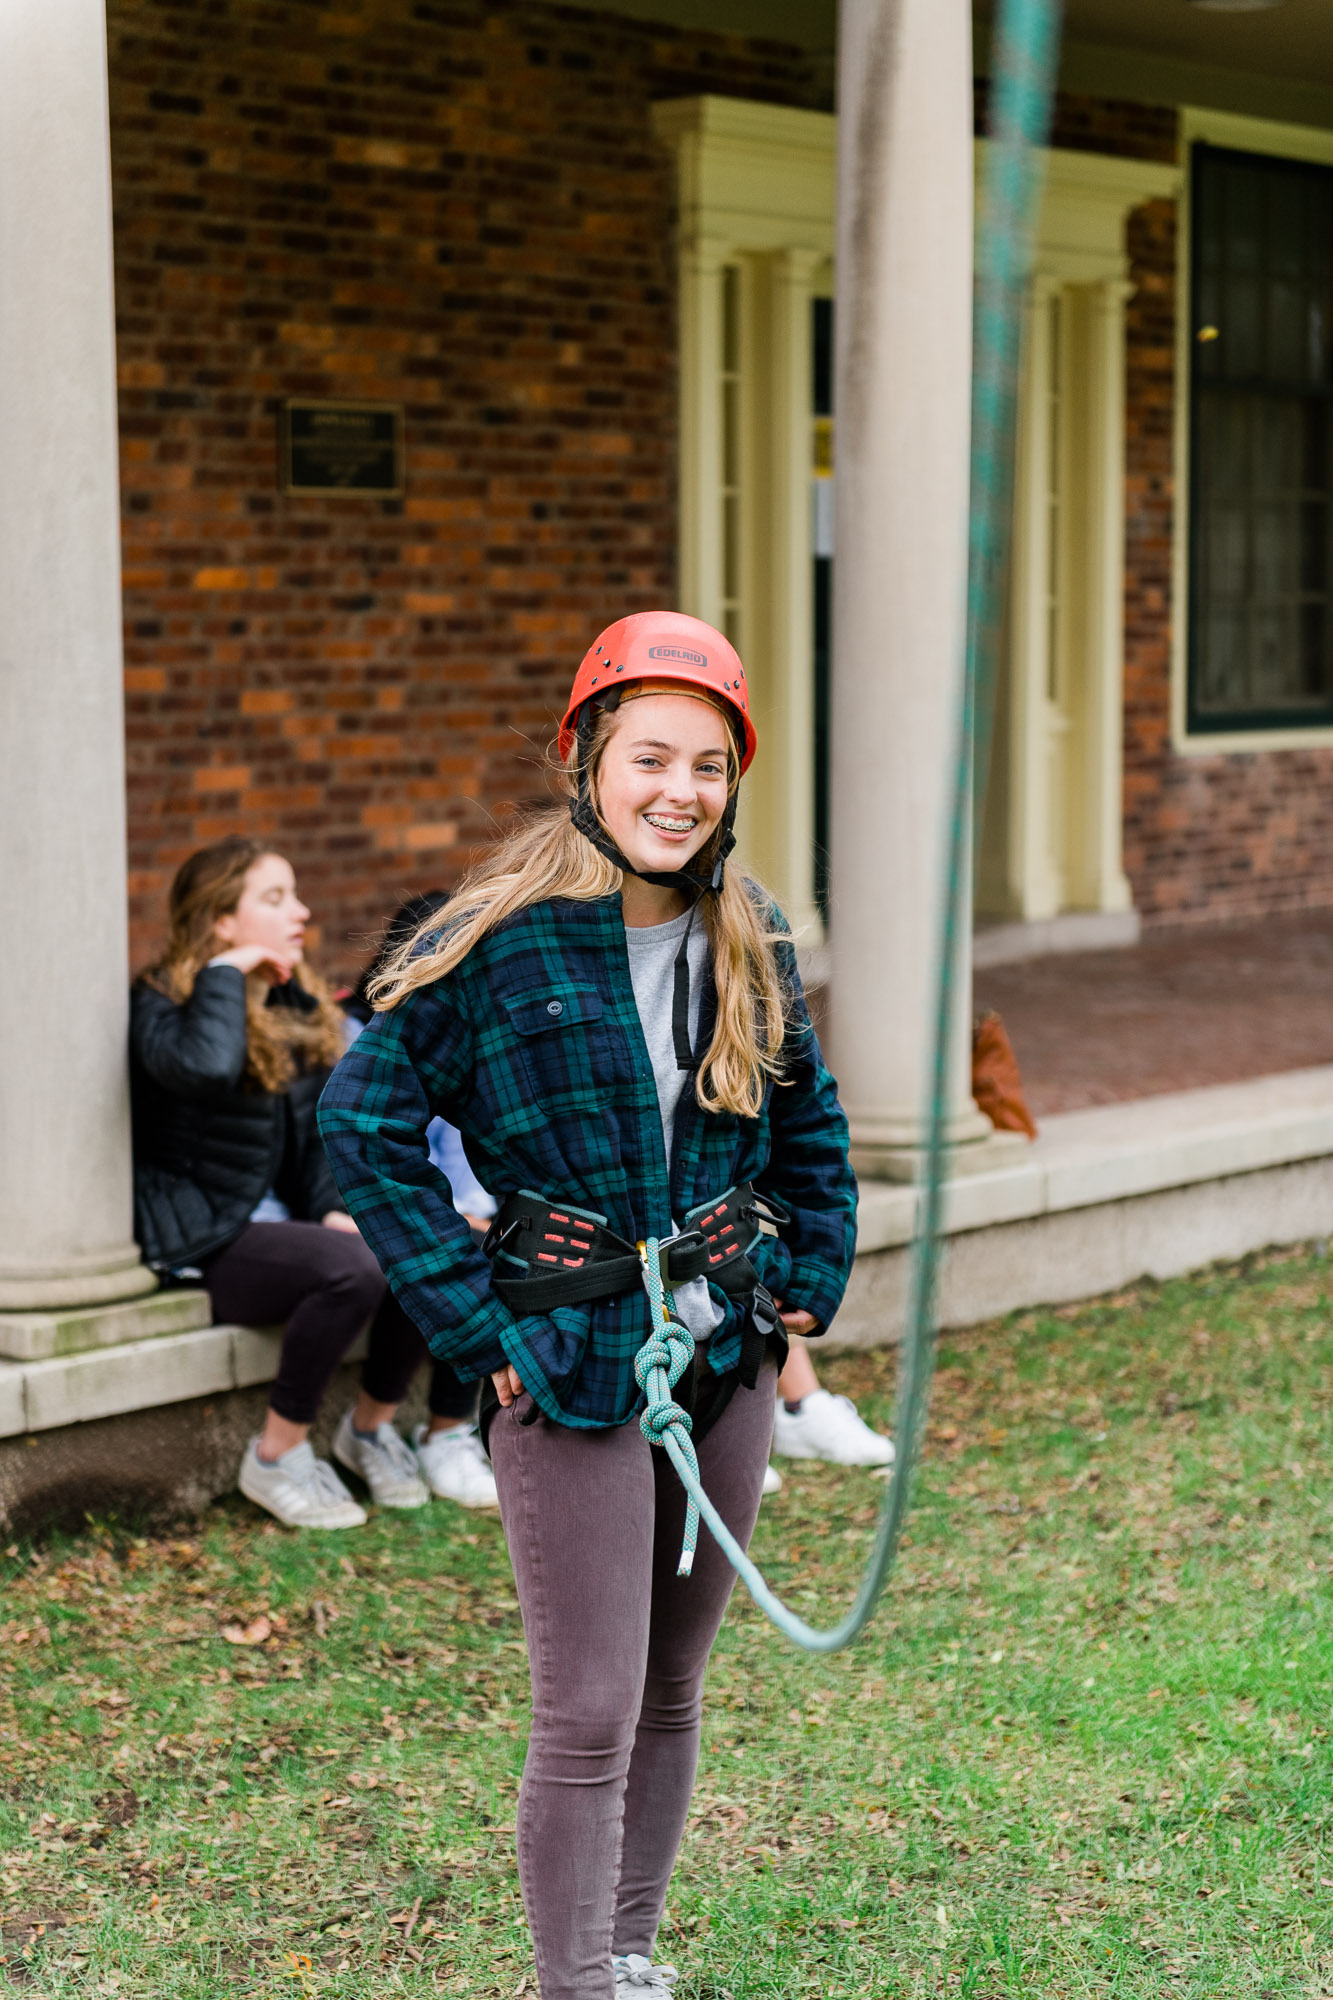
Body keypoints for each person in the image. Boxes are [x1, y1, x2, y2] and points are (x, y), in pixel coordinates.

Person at [318, 612, 858, 2000]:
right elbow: (362, 1124)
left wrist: (806, 1274)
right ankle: (569, 1987)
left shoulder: (752, 934)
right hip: (562, 1356)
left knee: (675, 1689)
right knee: (589, 1710)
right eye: (649, 758)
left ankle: (627, 1954)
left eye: (710, 767)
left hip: (722, 1350)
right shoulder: (493, 940)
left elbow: (810, 1121)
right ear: (588, 763)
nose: (679, 791)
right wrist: (470, 1322)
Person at [130, 835, 448, 1529]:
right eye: (274, 899)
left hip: (283, 1225)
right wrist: (228, 972)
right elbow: (207, 1068)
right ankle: (275, 1456)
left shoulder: (296, 1005)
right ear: (219, 918)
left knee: (415, 1242)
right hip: (204, 1235)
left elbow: (316, 1141)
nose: (299, 910)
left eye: (295, 894)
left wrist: (337, 1208)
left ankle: (368, 1430)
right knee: (352, 1270)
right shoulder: (159, 1005)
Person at [340, 896, 499, 1509]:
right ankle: (405, 1429)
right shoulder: (359, 1035)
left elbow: (464, 1144)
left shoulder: (471, 1036)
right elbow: (364, 1142)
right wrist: (460, 1212)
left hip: (456, 1203)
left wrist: (479, 1204)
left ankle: (454, 1431)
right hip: (363, 1202)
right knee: (440, 1249)